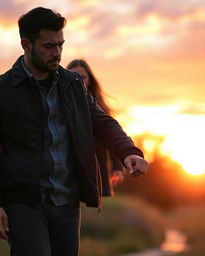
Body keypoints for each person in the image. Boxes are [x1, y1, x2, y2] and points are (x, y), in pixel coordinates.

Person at [0, 7, 148, 256]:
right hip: (24, 203)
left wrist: (128, 152)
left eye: (61, 45)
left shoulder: (73, 85)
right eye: (49, 46)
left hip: (67, 203)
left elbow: (102, 122)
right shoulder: (4, 90)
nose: (57, 53)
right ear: (26, 44)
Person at [67, 59, 124, 196]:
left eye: (82, 77)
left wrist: (118, 167)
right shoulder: (58, 104)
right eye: (73, 76)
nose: (78, 80)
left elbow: (110, 135)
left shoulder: (98, 108)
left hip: (95, 165)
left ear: (90, 80)